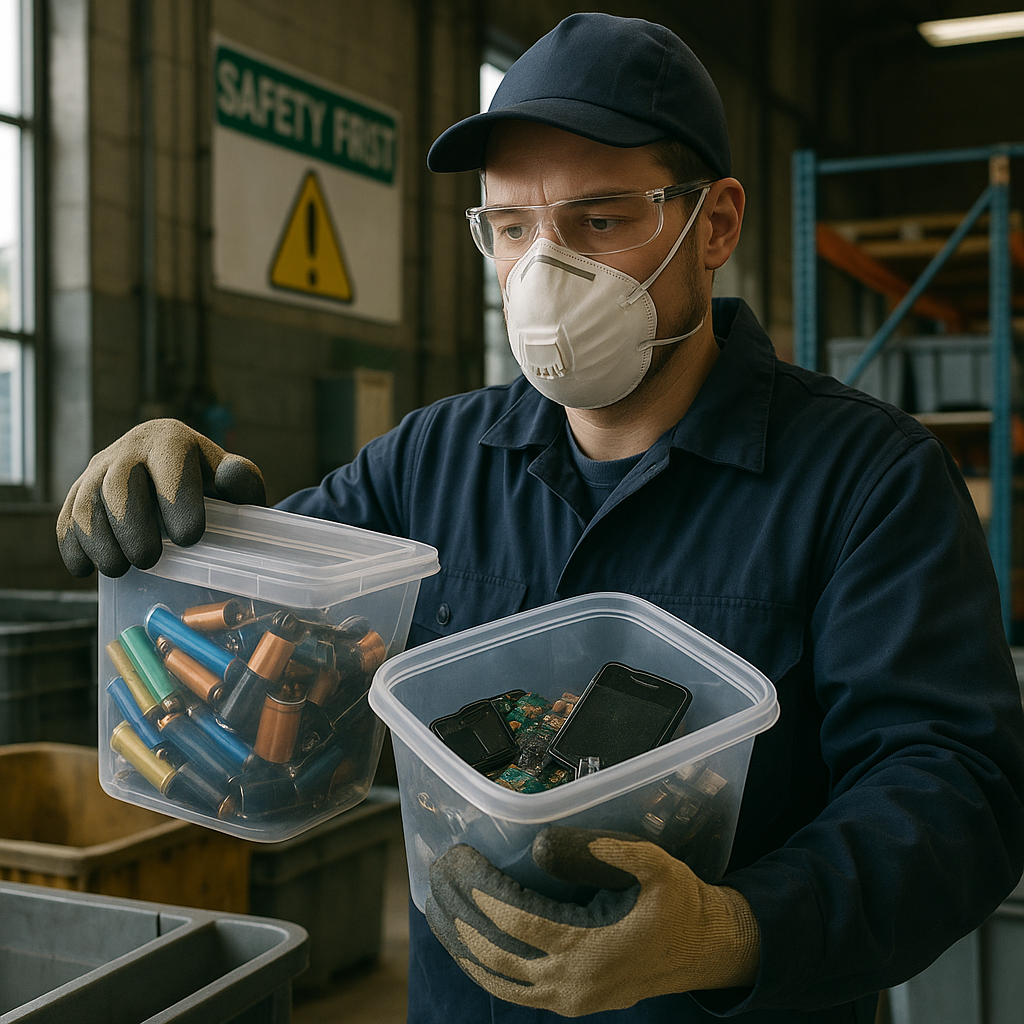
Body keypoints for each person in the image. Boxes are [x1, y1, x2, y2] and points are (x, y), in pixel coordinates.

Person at [57, 13, 1024, 1023]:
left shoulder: (865, 478)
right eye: (512, 227)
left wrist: (732, 929)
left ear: (717, 225)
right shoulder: (428, 462)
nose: (544, 272)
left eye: (601, 219)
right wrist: (184, 501)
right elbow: (260, 644)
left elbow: (957, 791)